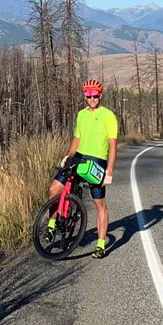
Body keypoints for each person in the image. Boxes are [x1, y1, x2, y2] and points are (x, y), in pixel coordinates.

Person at [48, 78, 119, 258]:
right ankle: (51, 225)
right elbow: (76, 139)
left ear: (100, 95)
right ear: (85, 96)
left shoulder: (108, 115)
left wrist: (109, 172)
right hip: (79, 156)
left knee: (99, 203)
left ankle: (100, 245)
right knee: (54, 189)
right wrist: (67, 157)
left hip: (97, 160)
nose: (92, 98)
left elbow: (112, 145)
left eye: (95, 95)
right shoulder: (81, 114)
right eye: (88, 95)